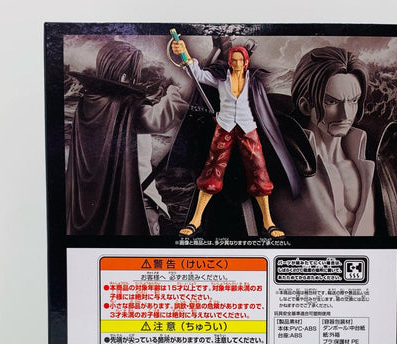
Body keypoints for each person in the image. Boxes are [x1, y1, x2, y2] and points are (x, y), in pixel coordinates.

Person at [171, 40, 295, 239]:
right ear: (230, 62)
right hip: (225, 127)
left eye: (240, 60)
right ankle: (196, 220)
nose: (237, 64)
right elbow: (197, 75)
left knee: (259, 171)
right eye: (234, 60)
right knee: (212, 170)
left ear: (246, 63)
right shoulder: (222, 80)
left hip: (248, 128)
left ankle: (268, 222)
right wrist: (184, 54)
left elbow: (261, 107)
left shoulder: (253, 83)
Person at [270, 46, 397, 236]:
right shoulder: (283, 165)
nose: (346, 114)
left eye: (353, 101)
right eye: (331, 102)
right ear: (306, 106)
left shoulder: (374, 162)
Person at [66, 40, 188, 235]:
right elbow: (161, 119)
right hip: (134, 196)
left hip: (94, 203)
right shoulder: (127, 107)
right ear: (125, 76)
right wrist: (176, 90)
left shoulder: (86, 104)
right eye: (134, 74)